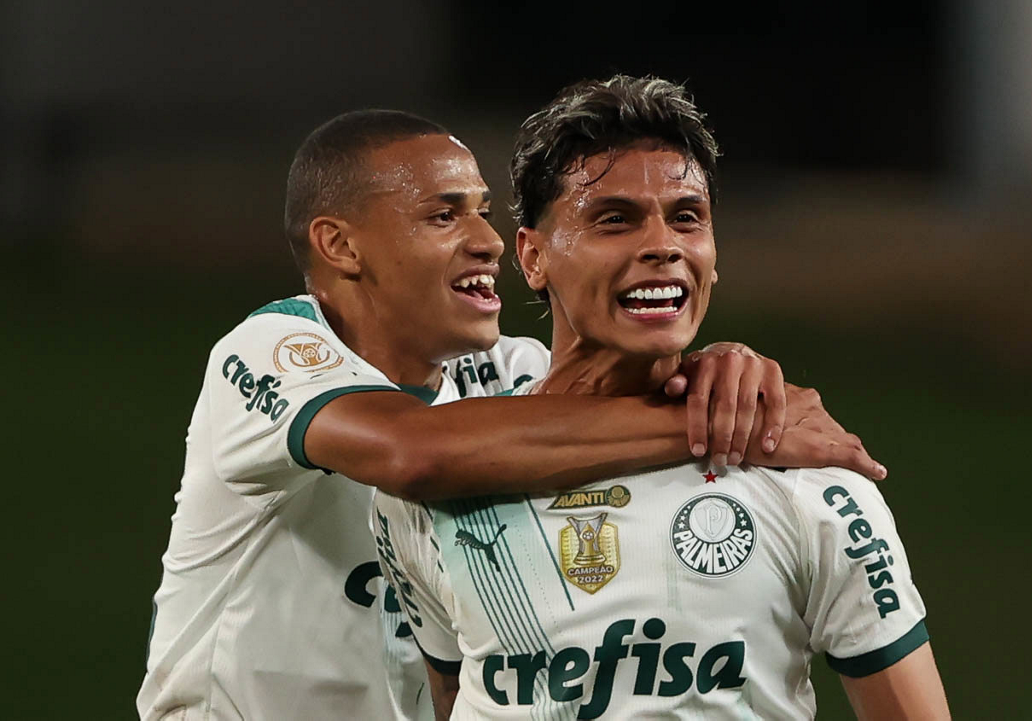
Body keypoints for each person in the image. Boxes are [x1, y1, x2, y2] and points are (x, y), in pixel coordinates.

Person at [138, 110, 886, 720]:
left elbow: (601, 392)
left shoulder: (511, 382)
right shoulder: (270, 354)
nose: (487, 241)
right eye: (443, 215)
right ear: (340, 245)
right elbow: (413, 453)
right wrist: (711, 429)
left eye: (485, 213)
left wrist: (723, 369)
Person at [374, 75, 950, 719]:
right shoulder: (438, 488)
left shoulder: (806, 480)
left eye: (686, 218)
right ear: (533, 258)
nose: (662, 246)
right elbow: (451, 697)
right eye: (614, 220)